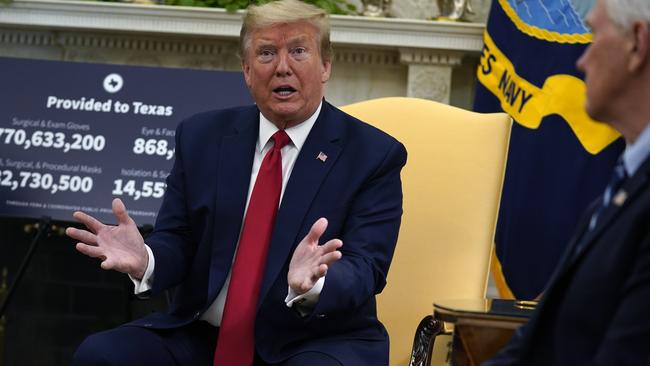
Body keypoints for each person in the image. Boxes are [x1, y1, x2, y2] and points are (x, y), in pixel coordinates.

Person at [65, 0, 407, 365]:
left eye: (298, 51)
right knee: (101, 354)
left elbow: (366, 267)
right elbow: (178, 238)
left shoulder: (372, 154)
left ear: (325, 66)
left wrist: (316, 282)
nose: (282, 67)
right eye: (266, 53)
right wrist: (145, 260)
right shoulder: (201, 136)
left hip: (313, 339)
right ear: (246, 70)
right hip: (203, 335)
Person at [484, 0, 650, 364]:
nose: (580, 60)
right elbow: (538, 341)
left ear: (637, 44)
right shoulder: (619, 187)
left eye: (594, 37)